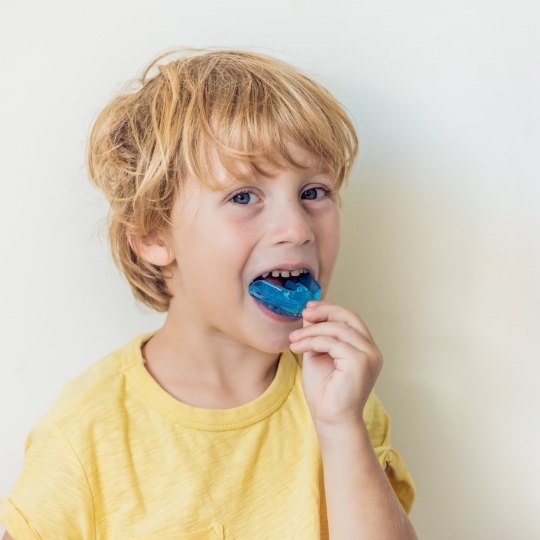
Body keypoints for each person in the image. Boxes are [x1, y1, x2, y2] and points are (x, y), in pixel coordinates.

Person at [0, 49, 416, 539]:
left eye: (314, 192)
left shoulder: (339, 395)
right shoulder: (86, 434)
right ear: (155, 235)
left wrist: (342, 426)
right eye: (243, 197)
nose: (295, 228)